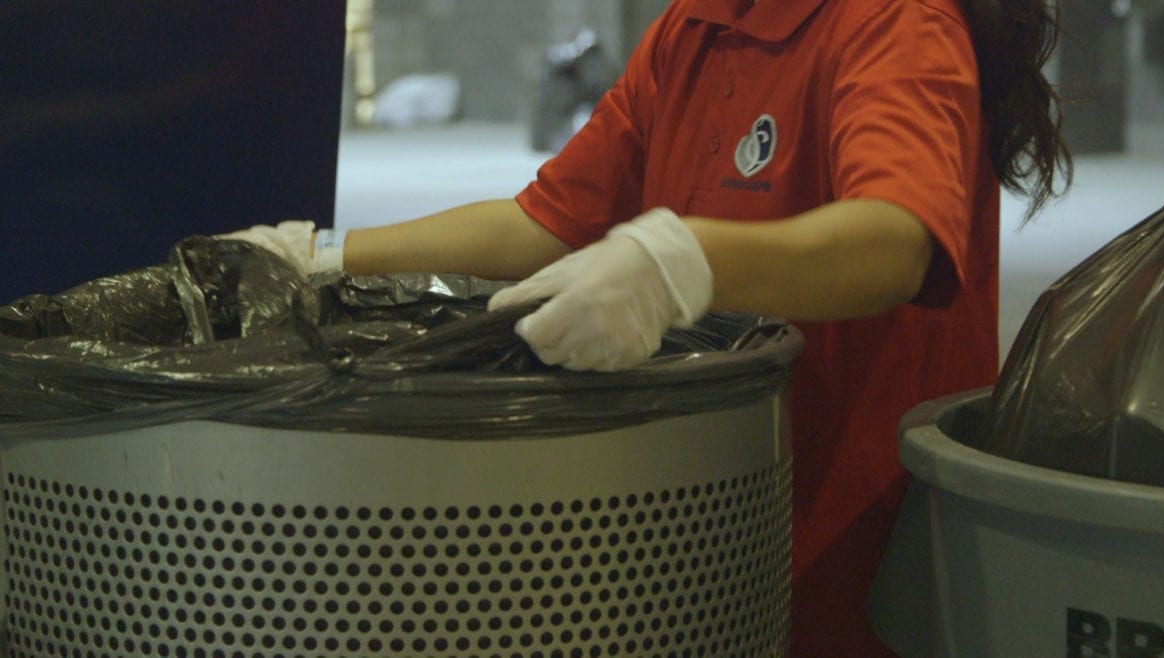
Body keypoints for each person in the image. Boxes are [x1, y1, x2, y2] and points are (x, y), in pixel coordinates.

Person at [224, 0, 1071, 653]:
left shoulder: (891, 22)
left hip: (859, 553)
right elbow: (548, 222)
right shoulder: (695, 29)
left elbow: (893, 242)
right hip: (715, 530)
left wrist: (681, 262)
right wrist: (323, 256)